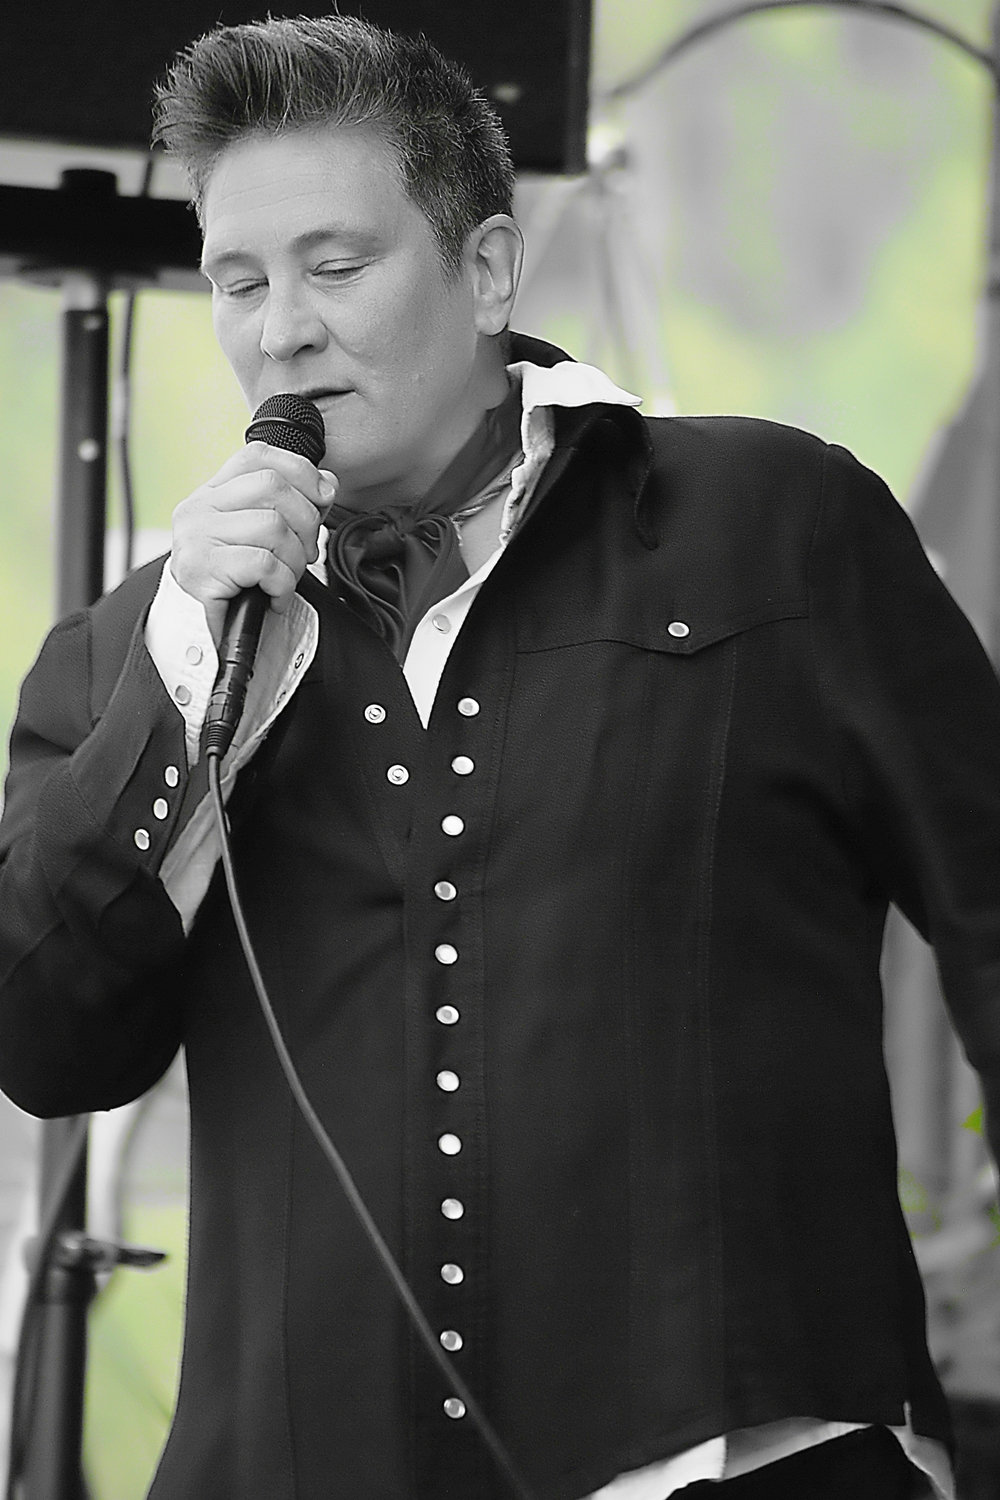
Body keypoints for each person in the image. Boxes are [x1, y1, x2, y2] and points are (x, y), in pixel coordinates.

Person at [0, 14, 996, 1500]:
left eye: (337, 266)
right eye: (238, 281)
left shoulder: (773, 521)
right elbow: (44, 1043)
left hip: (741, 1457)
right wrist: (181, 672)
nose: (281, 329)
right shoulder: (133, 647)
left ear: (487, 270)